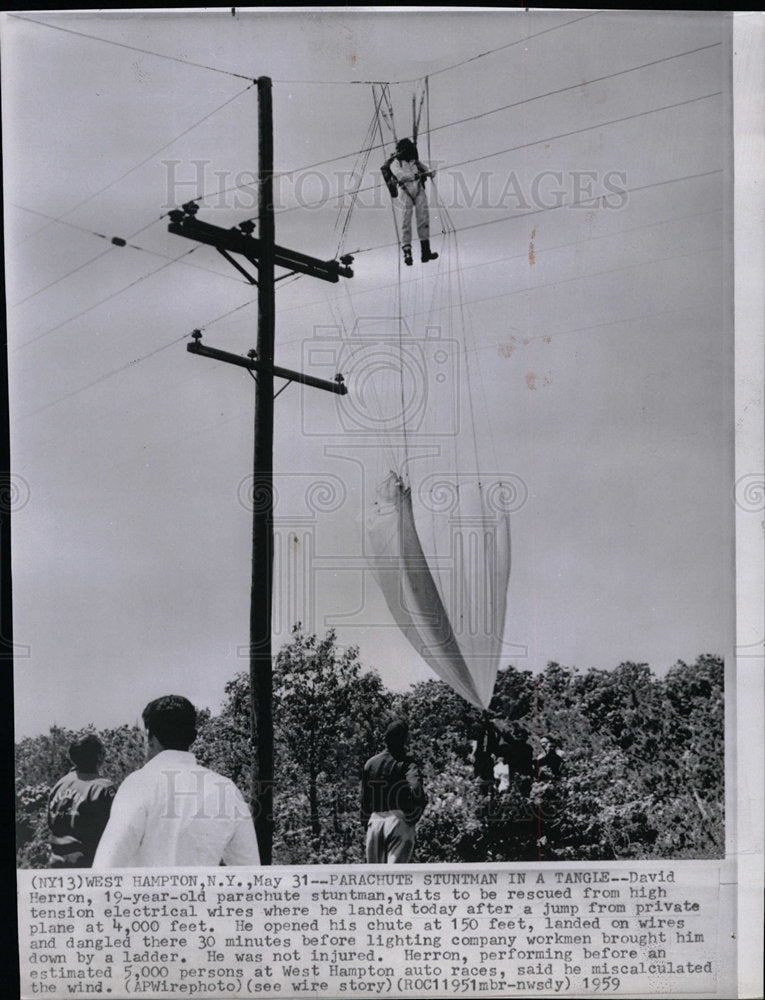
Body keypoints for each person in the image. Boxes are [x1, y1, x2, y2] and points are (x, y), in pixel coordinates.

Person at [92, 695, 260, 867]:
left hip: (147, 894)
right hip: (201, 894)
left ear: (150, 737)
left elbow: (106, 866)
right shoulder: (226, 789)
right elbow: (250, 872)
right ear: (193, 737)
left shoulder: (137, 784)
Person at [361, 719, 427, 864]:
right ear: (403, 739)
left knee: (376, 880)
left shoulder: (370, 764)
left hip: (375, 821)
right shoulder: (407, 763)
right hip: (398, 821)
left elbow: (365, 799)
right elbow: (416, 789)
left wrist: (367, 823)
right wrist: (413, 815)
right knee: (396, 879)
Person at [47, 734, 116, 868]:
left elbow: (51, 824)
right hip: (87, 865)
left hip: (56, 865)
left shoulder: (59, 785)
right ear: (99, 756)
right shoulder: (104, 788)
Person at [381, 137, 439, 267]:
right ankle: (407, 252)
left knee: (423, 219)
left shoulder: (415, 162)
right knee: (405, 221)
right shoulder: (395, 163)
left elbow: (429, 170)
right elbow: (399, 175)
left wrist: (429, 172)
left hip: (418, 189)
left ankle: (426, 251)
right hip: (405, 191)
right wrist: (414, 176)